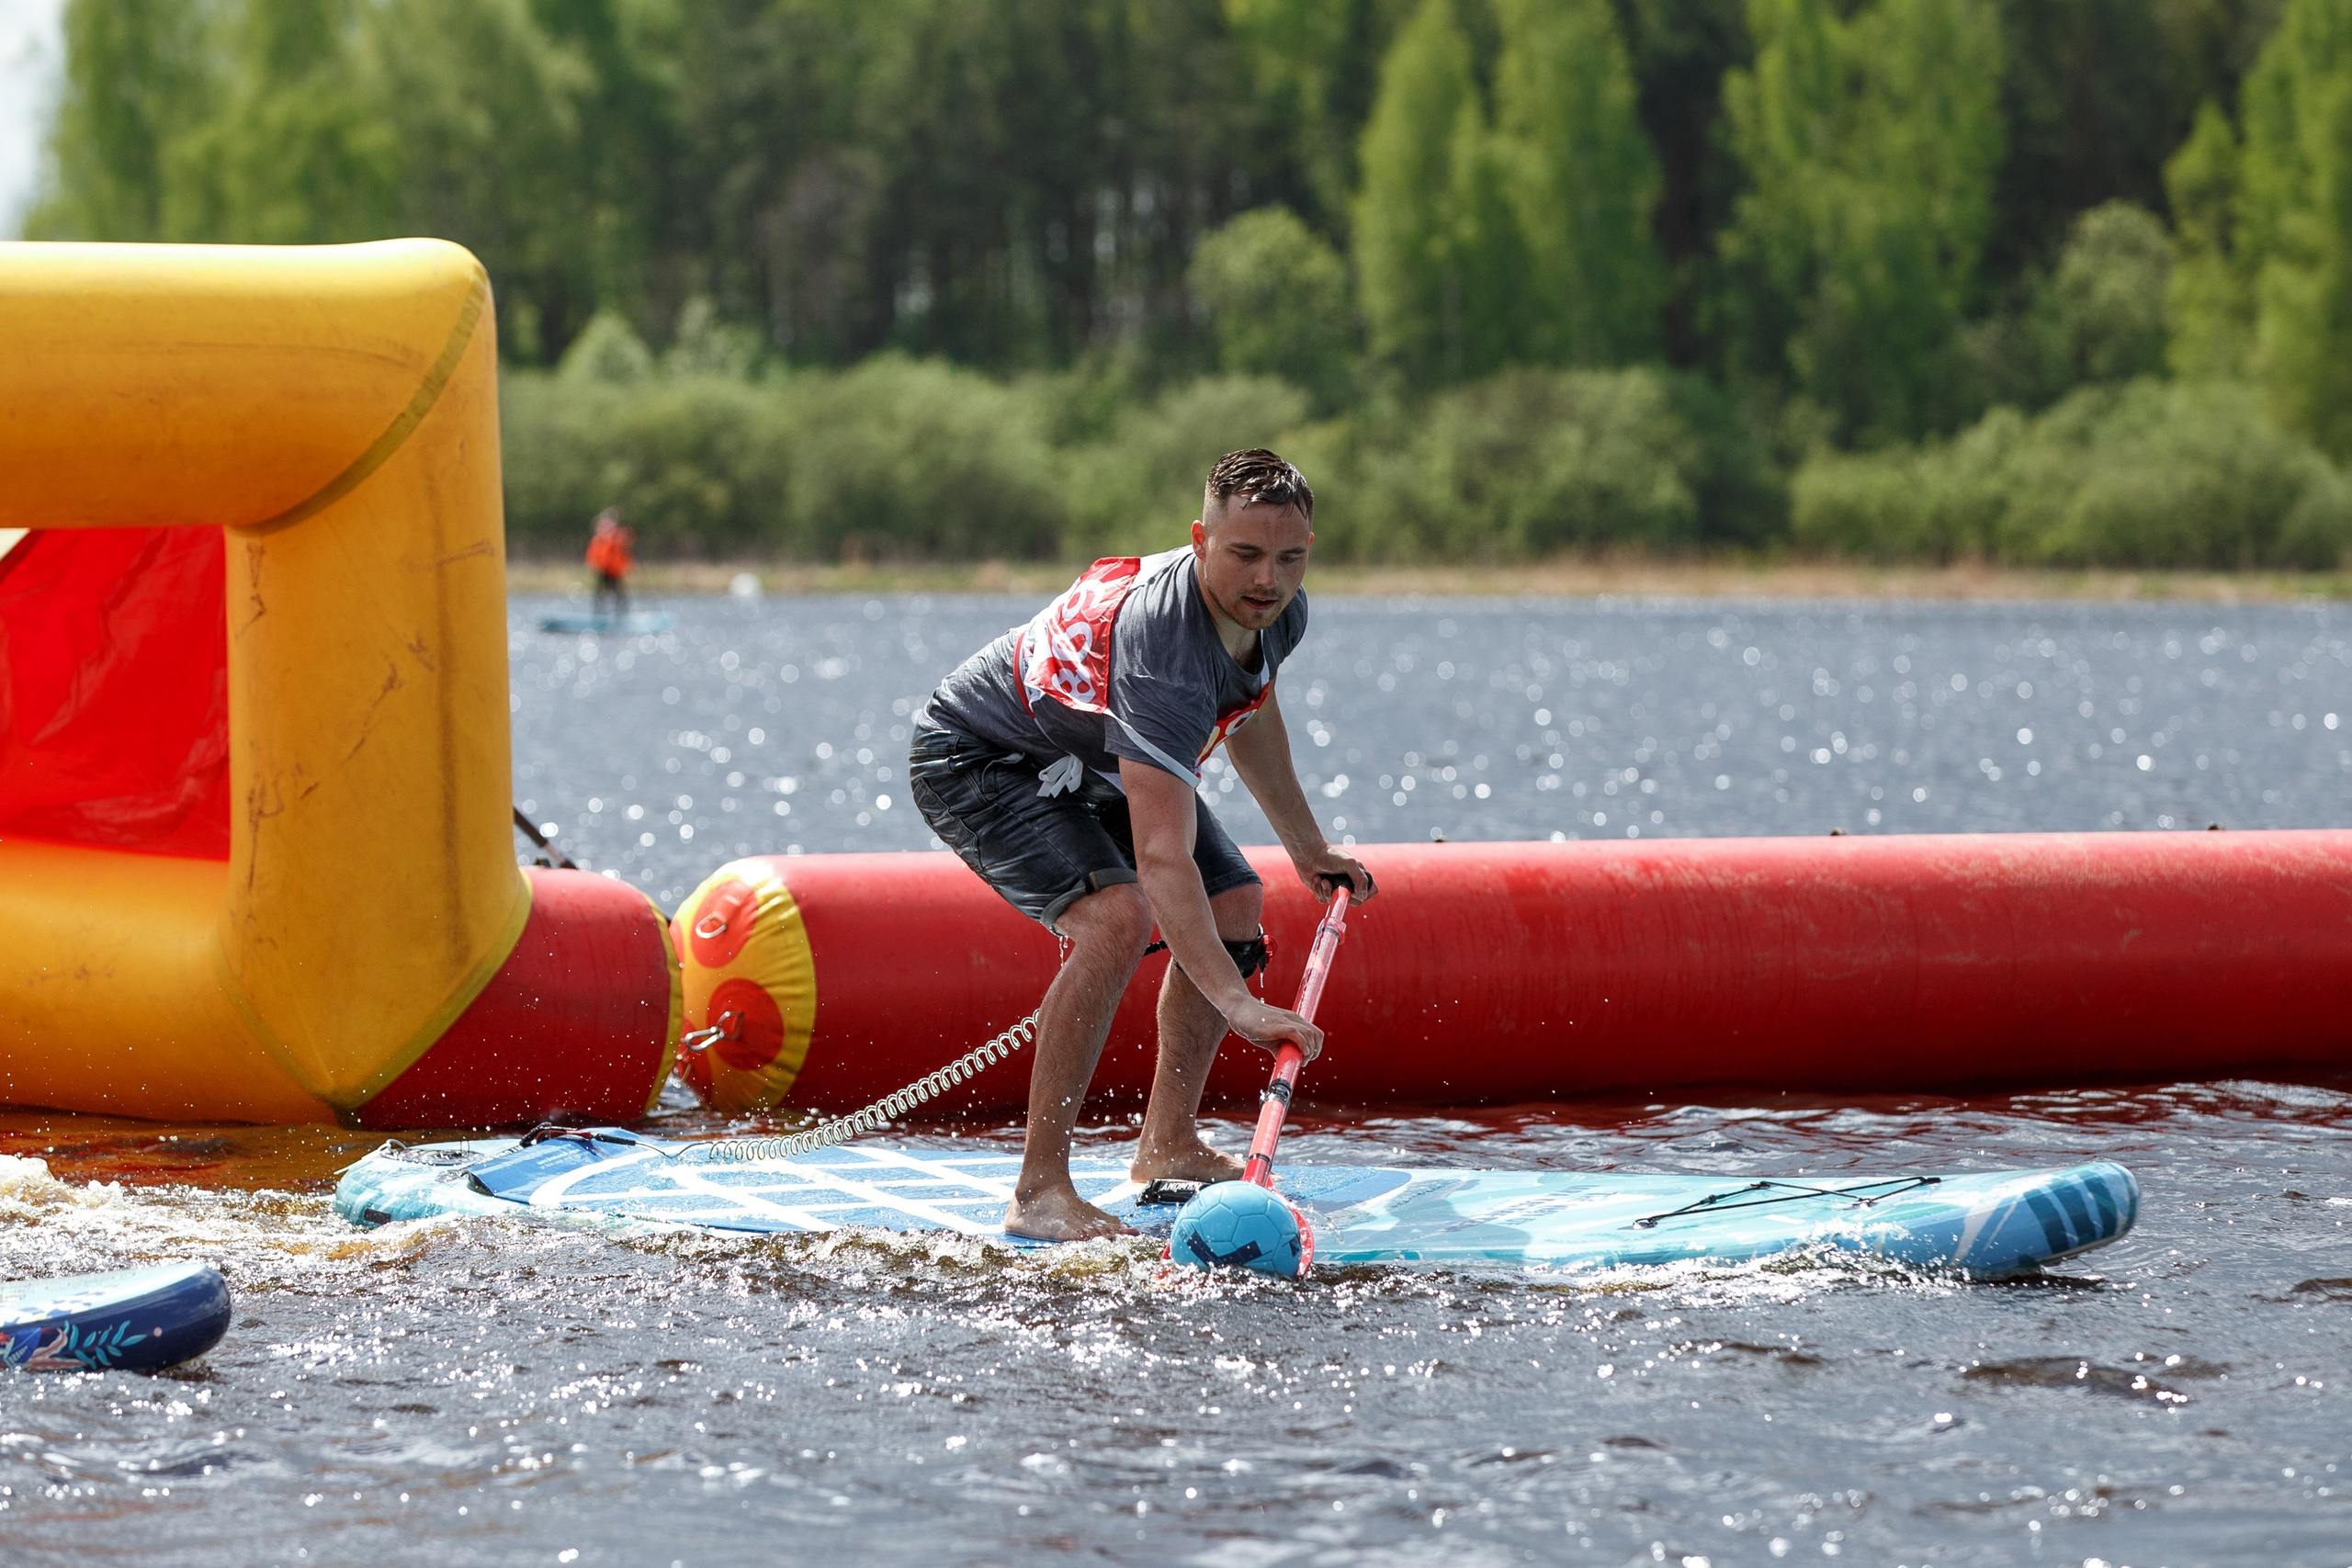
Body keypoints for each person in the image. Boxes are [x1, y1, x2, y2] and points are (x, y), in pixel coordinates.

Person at [909, 448, 1374, 1240]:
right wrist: (1237, 1001)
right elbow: (1161, 858)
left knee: (1236, 898)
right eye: (1245, 555)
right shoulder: (1165, 643)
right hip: (980, 757)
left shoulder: (1279, 613)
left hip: (1088, 757)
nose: (1268, 579)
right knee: (1116, 918)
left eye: (1289, 558)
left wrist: (1306, 846)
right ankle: (1039, 1190)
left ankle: (1167, 1144)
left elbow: (1250, 712)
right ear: (1200, 539)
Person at [585, 508, 634, 617]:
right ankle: (598, 615)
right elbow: (593, 553)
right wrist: (592, 564)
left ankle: (622, 615)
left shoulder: (619, 535)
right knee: (599, 594)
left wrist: (622, 533)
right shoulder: (599, 539)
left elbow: (627, 542)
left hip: (615, 570)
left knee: (618, 594)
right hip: (603, 569)